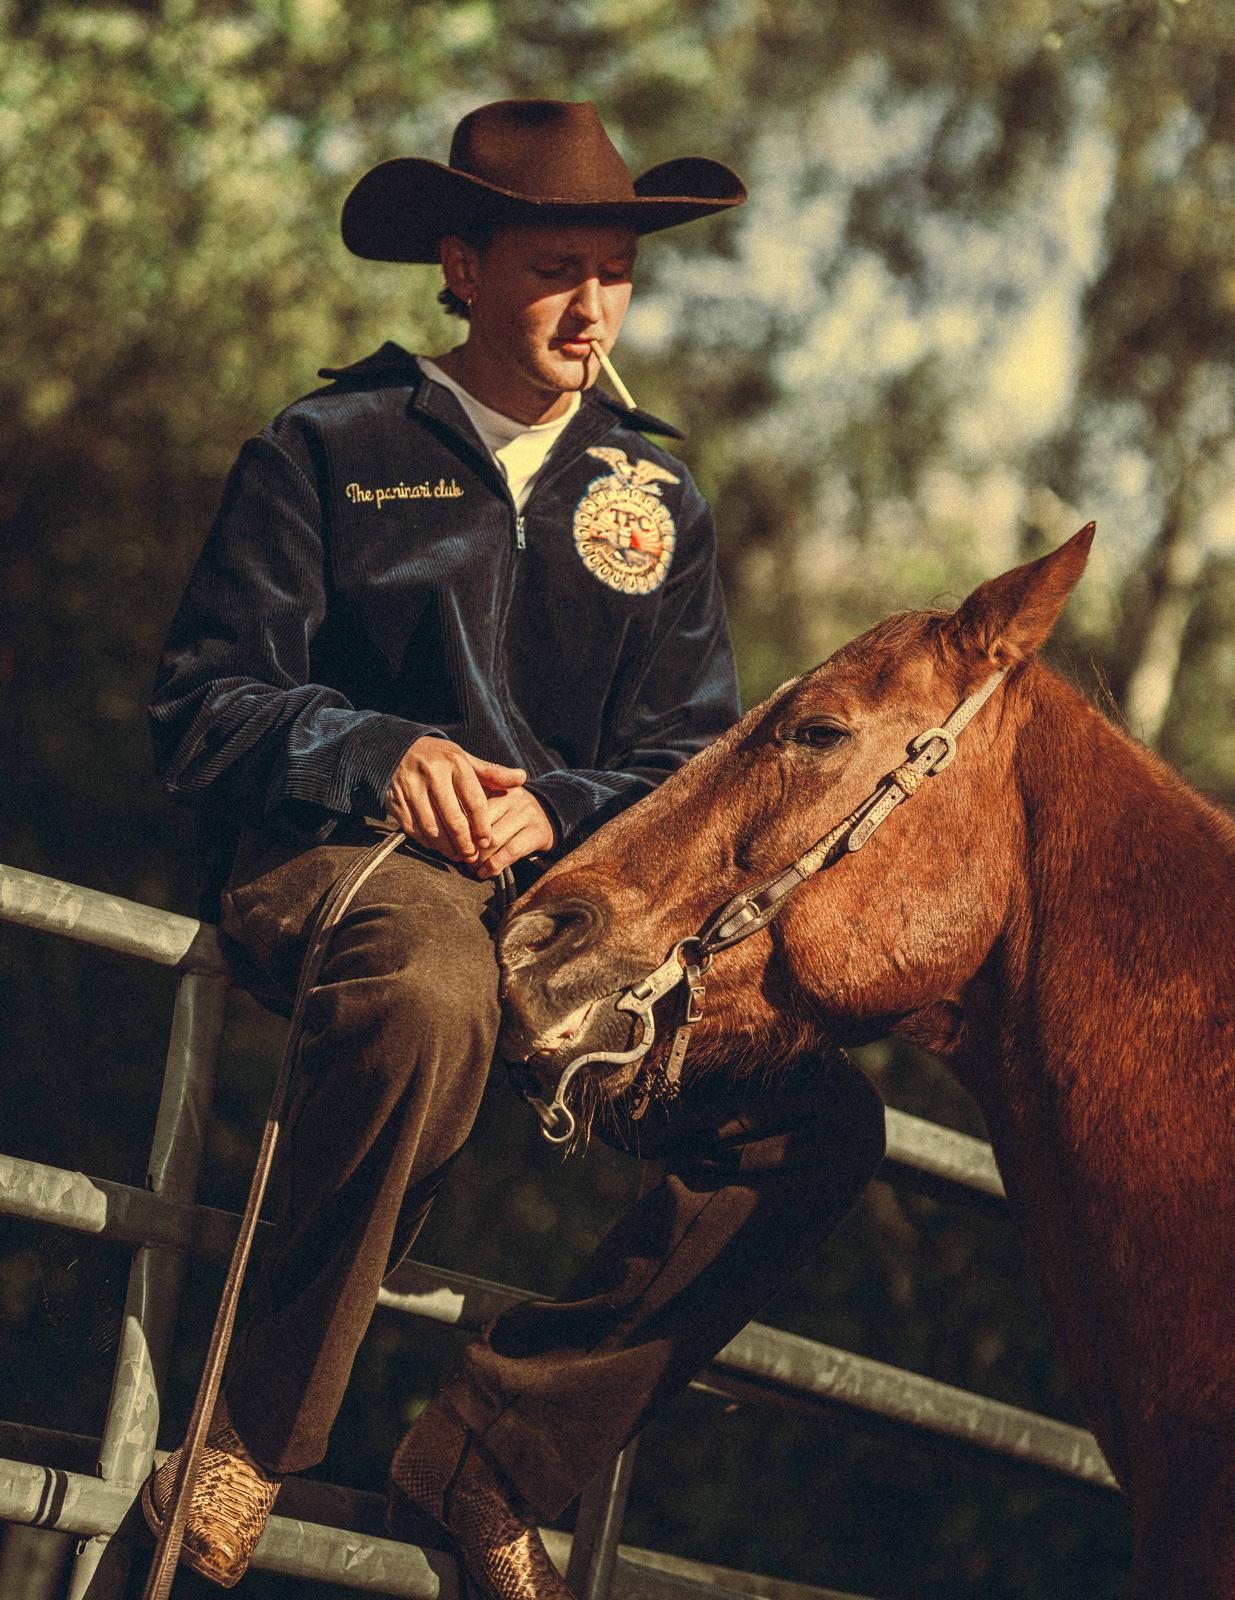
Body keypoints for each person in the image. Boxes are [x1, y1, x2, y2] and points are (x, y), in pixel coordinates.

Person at [144, 98, 887, 1600]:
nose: (594, 303)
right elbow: (200, 707)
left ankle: (496, 1449)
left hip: (575, 901)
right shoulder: (327, 448)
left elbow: (694, 760)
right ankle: (243, 1435)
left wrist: (563, 804)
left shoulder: (656, 500)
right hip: (350, 873)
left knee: (814, 1126)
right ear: (463, 265)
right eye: (558, 267)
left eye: (616, 270)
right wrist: (380, 751)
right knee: (434, 995)